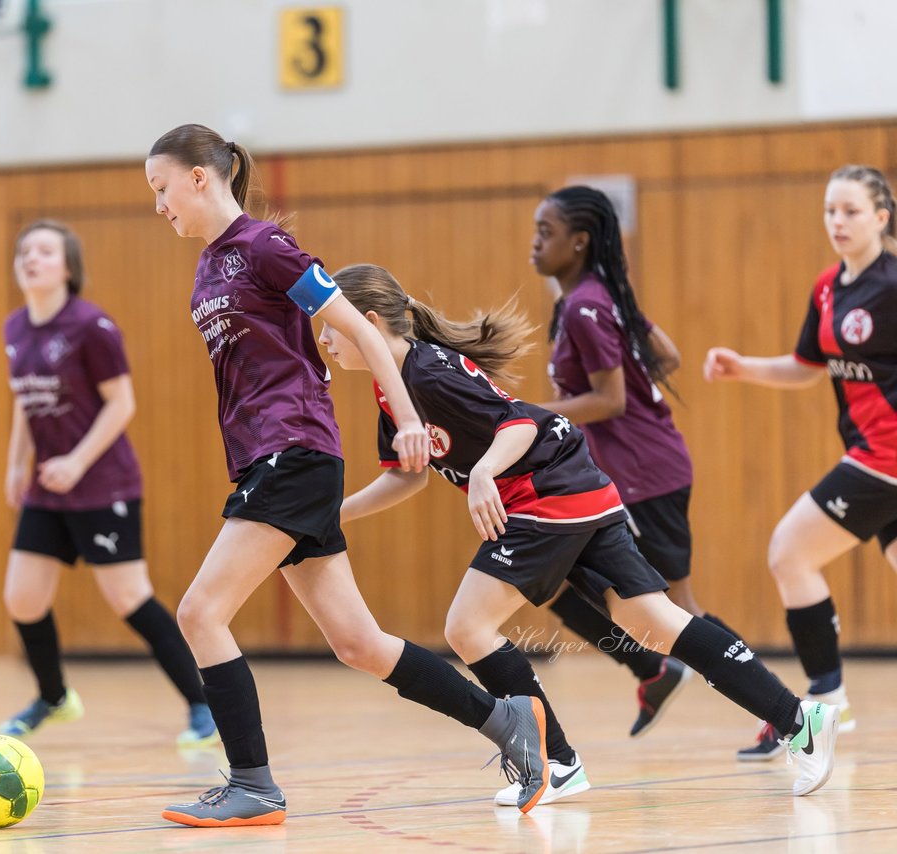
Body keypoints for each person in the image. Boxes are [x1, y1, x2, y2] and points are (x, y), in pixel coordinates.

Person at [145, 123, 555, 826]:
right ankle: (506, 720)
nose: (159, 205)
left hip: (294, 453)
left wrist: (406, 419)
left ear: (200, 178)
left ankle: (253, 785)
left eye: (162, 188)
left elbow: (363, 331)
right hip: (267, 460)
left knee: (200, 612)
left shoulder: (266, 247)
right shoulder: (208, 268)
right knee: (359, 645)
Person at [321, 261, 841, 806]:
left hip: (546, 493)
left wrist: (483, 472)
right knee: (652, 622)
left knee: (468, 627)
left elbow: (519, 424)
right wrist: (337, 514)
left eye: (331, 325)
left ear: (369, 322)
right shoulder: (395, 387)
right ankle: (799, 720)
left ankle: (556, 763)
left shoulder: (427, 373)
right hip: (576, 485)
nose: (325, 339)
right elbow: (408, 475)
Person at [530, 185, 754, 738]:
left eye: (546, 232)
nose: (534, 243)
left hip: (645, 475)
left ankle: (780, 712)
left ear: (579, 242)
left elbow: (610, 400)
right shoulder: (598, 296)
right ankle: (652, 670)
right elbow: (667, 356)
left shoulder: (585, 306)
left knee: (681, 610)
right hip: (624, 474)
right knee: (550, 581)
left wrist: (528, 415)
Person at [0, 219, 218, 748]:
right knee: (22, 599)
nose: (31, 258)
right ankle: (54, 697)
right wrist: (16, 463)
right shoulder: (14, 328)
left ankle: (202, 703)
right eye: (24, 252)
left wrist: (76, 462)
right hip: (49, 488)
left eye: (44, 251)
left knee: (129, 597)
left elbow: (122, 404)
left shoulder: (91, 326)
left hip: (103, 485)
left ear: (68, 267)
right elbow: (26, 401)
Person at [704, 164, 897, 757]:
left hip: (885, 455)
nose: (838, 221)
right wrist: (744, 367)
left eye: (851, 211)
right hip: (869, 454)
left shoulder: (894, 284)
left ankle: (827, 702)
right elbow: (806, 366)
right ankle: (828, 703)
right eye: (830, 210)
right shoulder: (827, 287)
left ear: (881, 218)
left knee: (790, 552)